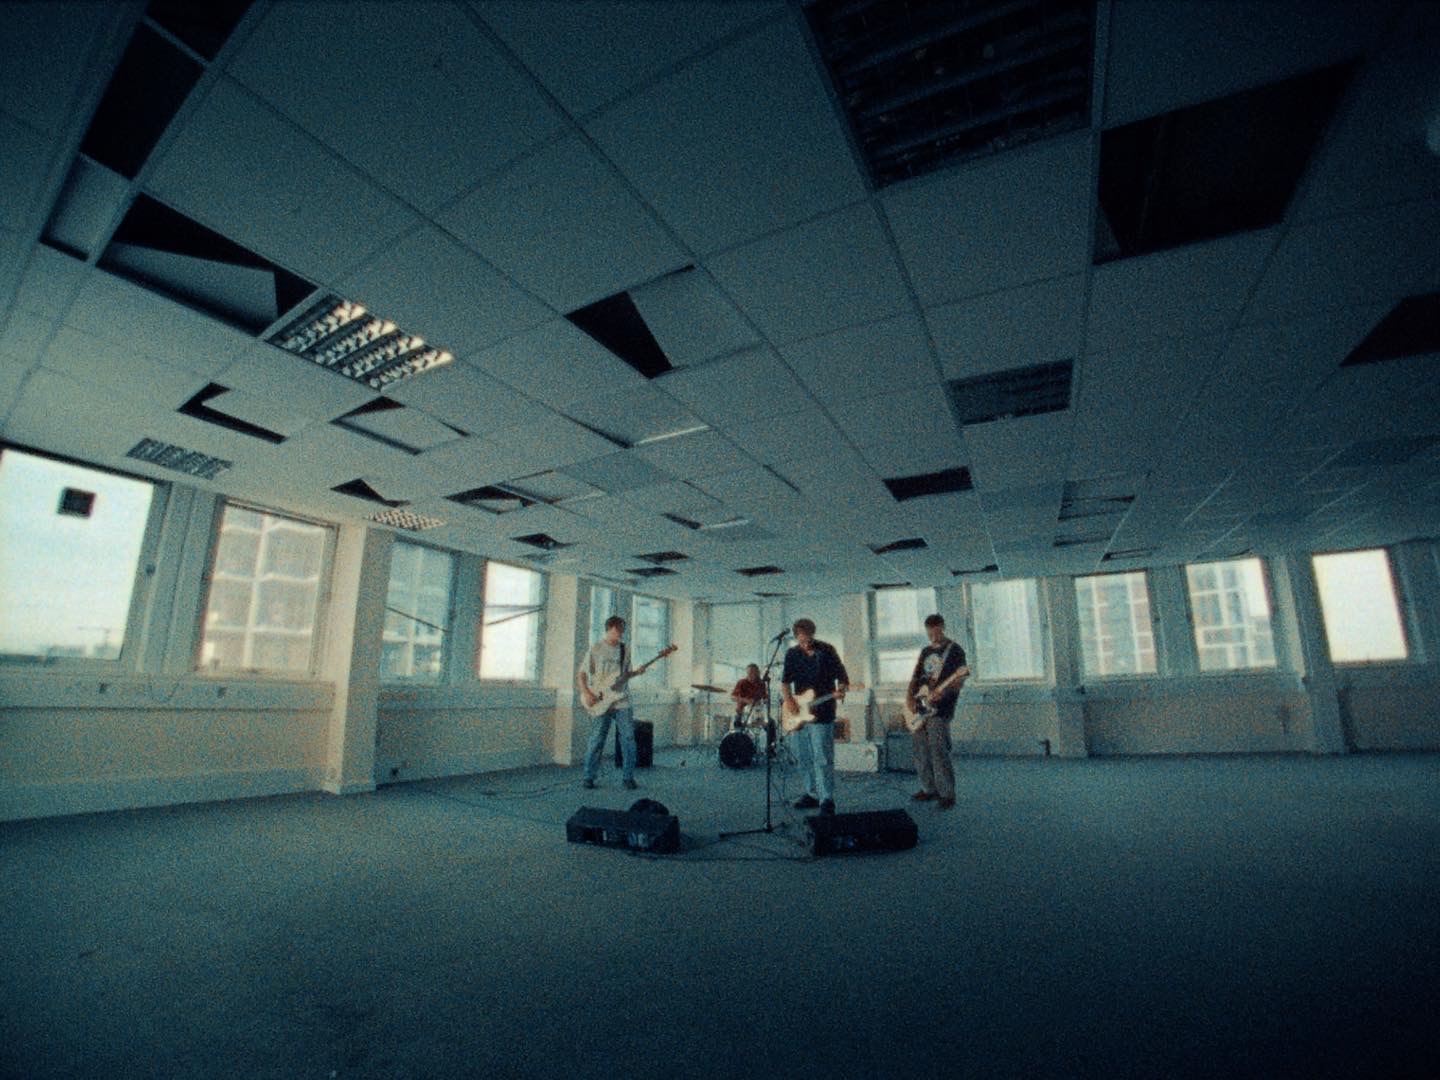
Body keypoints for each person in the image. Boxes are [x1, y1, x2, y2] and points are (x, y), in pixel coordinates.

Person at [780, 618, 849, 815]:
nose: (806, 643)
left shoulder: (827, 650)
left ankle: (826, 798)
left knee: (822, 757)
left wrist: (841, 688)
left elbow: (842, 677)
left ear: (813, 633)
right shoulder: (792, 654)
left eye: (809, 638)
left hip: (823, 710)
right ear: (796, 637)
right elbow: (785, 682)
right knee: (803, 756)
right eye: (802, 640)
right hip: (798, 712)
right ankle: (811, 793)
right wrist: (789, 701)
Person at [905, 614, 968, 810]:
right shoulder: (925, 651)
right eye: (930, 633)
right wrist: (909, 698)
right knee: (920, 750)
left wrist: (944, 692)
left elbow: (959, 681)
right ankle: (928, 788)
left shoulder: (955, 650)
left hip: (941, 708)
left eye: (937, 632)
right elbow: (915, 677)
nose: (933, 636)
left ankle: (947, 794)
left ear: (943, 627)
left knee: (938, 750)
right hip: (920, 705)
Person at [577, 615, 644, 791]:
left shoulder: (625, 649)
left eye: (622, 630)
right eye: (618, 630)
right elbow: (582, 674)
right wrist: (587, 693)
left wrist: (637, 672)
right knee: (597, 739)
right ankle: (588, 776)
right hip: (601, 699)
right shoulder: (596, 648)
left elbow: (625, 674)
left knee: (628, 738)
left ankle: (628, 777)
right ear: (609, 629)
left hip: (622, 699)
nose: (620, 633)